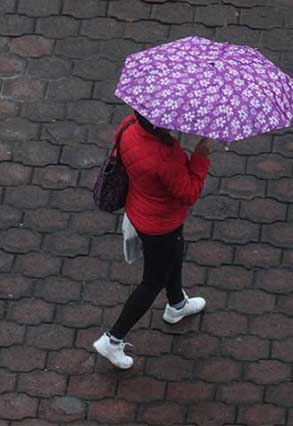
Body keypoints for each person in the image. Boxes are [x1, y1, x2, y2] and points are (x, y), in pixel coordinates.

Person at [93, 110, 213, 369]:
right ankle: (112, 339)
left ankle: (177, 305)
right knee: (152, 281)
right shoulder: (162, 157)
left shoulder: (128, 125)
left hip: (140, 209)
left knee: (173, 254)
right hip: (161, 223)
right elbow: (189, 193)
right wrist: (201, 156)